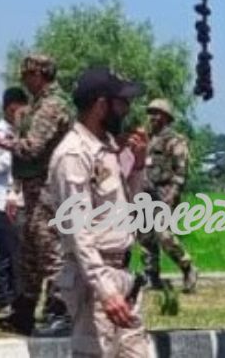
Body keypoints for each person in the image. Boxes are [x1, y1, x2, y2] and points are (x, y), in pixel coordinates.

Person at [48, 67, 151, 357]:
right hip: (95, 283)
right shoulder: (74, 155)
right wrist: (105, 291)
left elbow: (128, 210)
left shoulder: (105, 149)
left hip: (121, 277)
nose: (127, 110)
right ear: (101, 105)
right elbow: (79, 232)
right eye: (121, 102)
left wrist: (139, 166)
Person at [0, 55, 73, 335]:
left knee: (50, 251)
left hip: (48, 188)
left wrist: (0, 141)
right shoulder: (38, 105)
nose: (24, 80)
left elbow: (32, 148)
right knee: (29, 250)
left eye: (27, 74)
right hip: (33, 187)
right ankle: (24, 311)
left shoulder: (52, 105)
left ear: (40, 74)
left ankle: (60, 311)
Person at [138, 99, 198, 293]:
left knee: (163, 235)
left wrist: (173, 193)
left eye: (157, 113)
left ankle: (187, 267)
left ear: (166, 117)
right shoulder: (146, 138)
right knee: (145, 237)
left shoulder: (174, 140)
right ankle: (151, 276)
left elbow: (182, 170)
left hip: (164, 192)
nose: (152, 117)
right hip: (145, 193)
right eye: (151, 113)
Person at [0, 87, 28, 316]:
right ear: (6, 108)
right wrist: (11, 148)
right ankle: (2, 297)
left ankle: (18, 294)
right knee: (2, 249)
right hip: (1, 195)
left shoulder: (28, 131)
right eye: (14, 110)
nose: (18, 114)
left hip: (21, 196)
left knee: (20, 249)